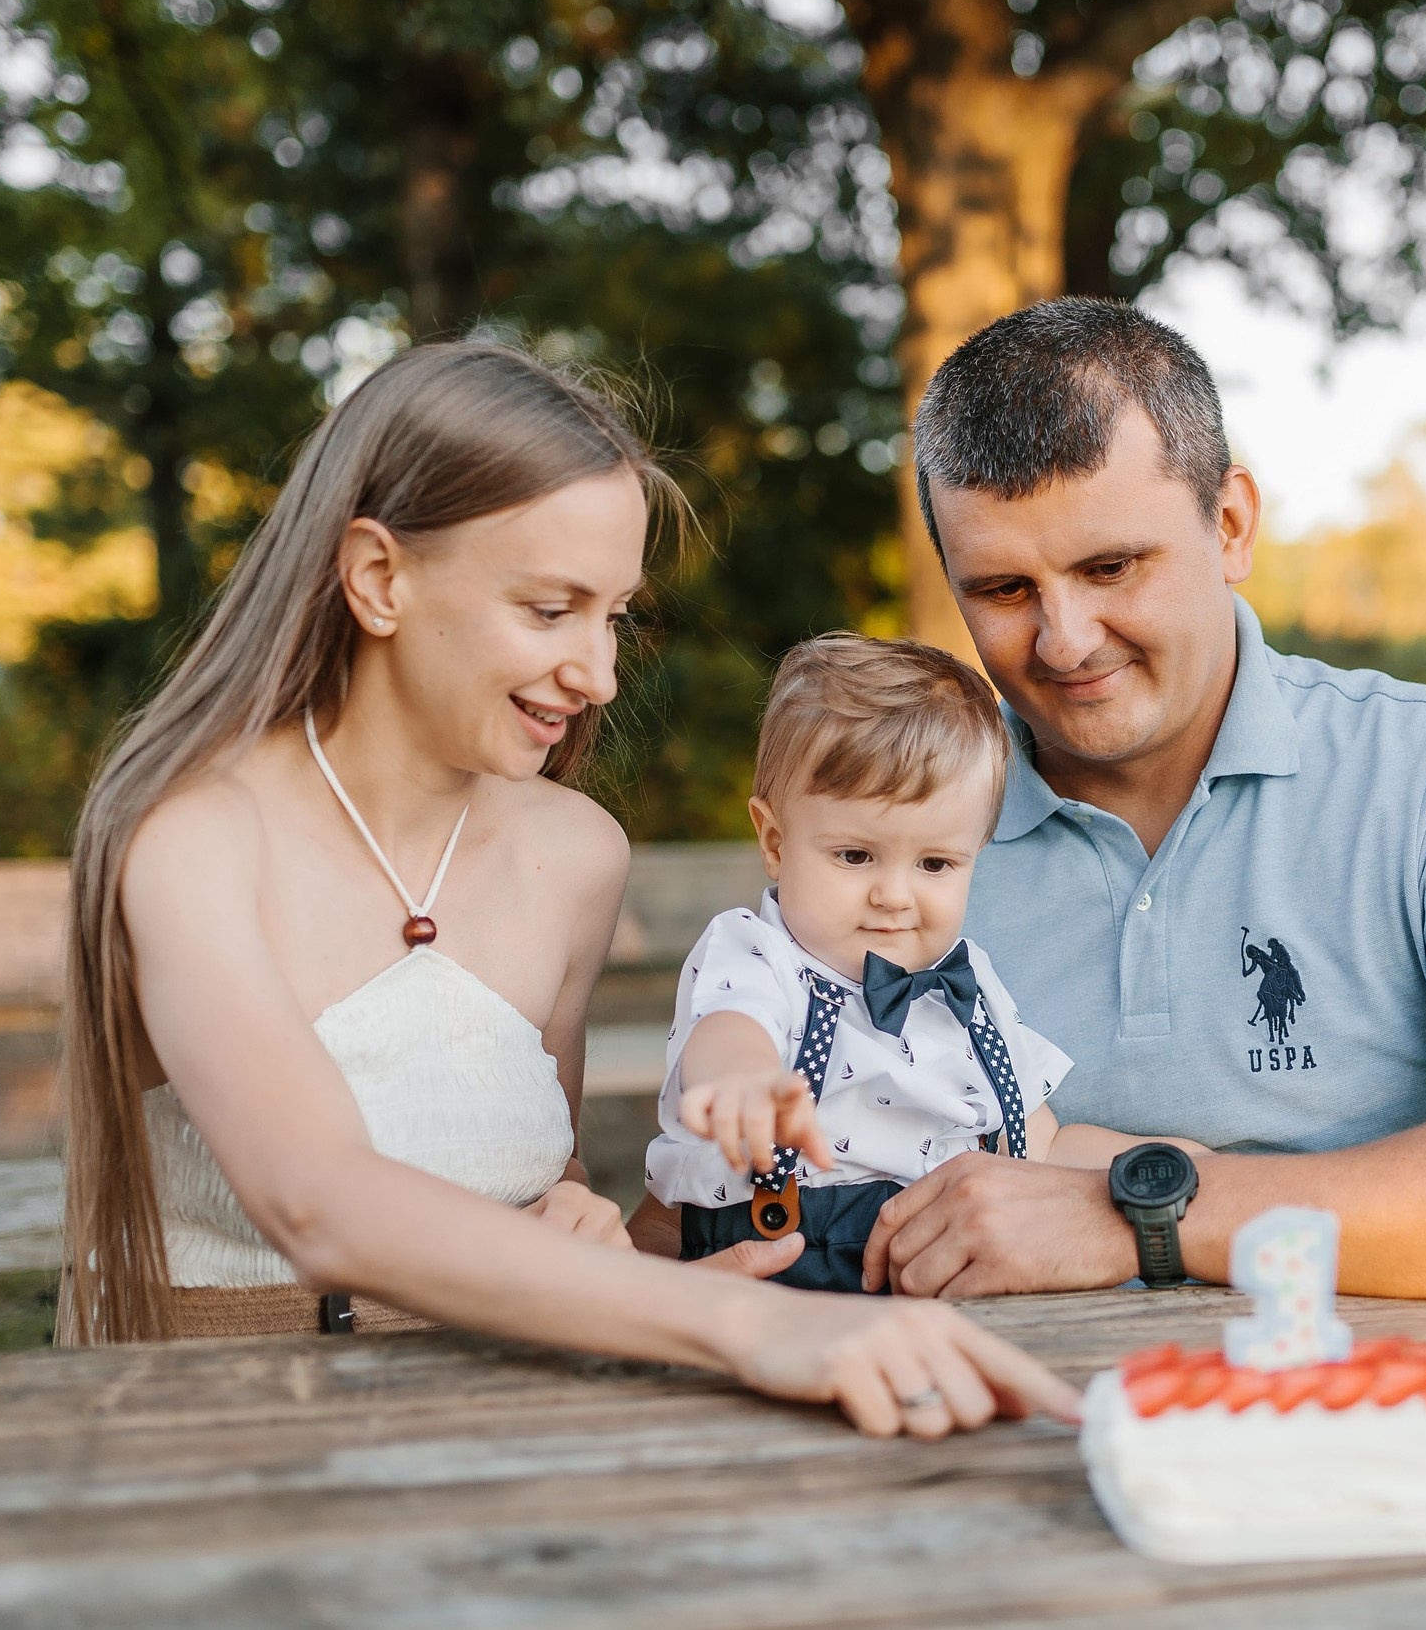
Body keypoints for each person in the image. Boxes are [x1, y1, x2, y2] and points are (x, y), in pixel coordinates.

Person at [56, 340, 1076, 1440]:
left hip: (512, 1414)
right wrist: (736, 1324)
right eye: (551, 610)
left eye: (614, 617)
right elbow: (318, 1200)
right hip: (213, 1429)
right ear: (379, 579)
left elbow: (549, 1182)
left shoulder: (577, 854)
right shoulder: (190, 838)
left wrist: (585, 1221)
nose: (598, 677)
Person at [859, 298, 1426, 1303]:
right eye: (1002, 590)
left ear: (1231, 525)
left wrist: (1137, 1213)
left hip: (1379, 1386)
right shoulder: (881, 828)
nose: (1064, 640)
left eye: (1110, 567)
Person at [646, 635, 1209, 1291]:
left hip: (945, 1270)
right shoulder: (757, 953)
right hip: (782, 1269)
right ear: (775, 842)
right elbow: (727, 1030)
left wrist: (1170, 1165)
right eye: (855, 856)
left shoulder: (968, 989)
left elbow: (1043, 1145)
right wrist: (745, 1082)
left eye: (935, 863)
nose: (894, 895)